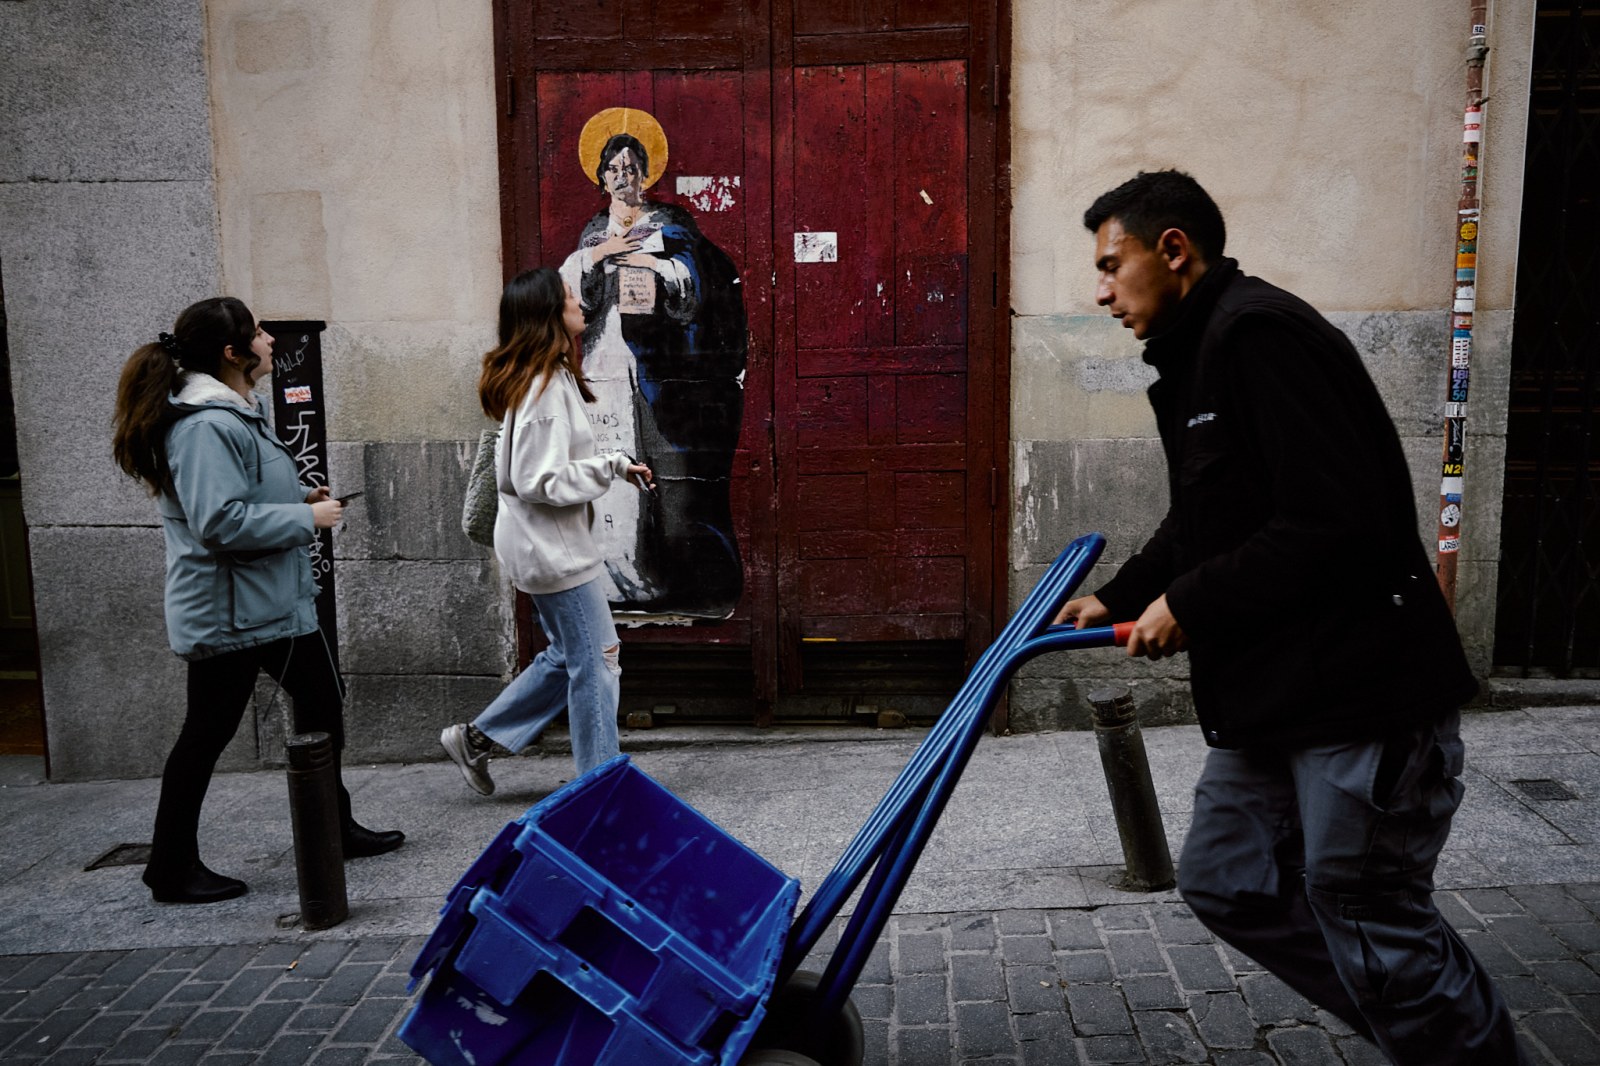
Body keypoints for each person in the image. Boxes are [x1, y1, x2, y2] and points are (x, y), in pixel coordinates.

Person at [1054, 170, 1524, 1064]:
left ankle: (1443, 1032)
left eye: (1113, 266)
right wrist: (1118, 597)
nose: (1102, 290)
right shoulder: (1200, 355)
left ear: (1174, 250)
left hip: (1361, 696)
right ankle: (1421, 1026)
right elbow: (1205, 519)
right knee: (1229, 882)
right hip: (1277, 696)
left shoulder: (1261, 336)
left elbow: (1335, 522)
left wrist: (1186, 604)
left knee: (1370, 916)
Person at [112, 297, 403, 906]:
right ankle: (169, 867)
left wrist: (303, 495)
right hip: (230, 612)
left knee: (323, 704)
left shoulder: (237, 412)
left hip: (272, 606)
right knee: (205, 736)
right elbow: (217, 522)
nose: (270, 340)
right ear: (232, 352)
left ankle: (332, 826)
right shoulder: (204, 425)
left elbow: (247, 493)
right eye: (259, 332)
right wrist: (304, 516)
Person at [439, 267, 654, 796]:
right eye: (568, 297)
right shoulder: (542, 387)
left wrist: (613, 463)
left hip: (542, 547)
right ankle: (599, 785)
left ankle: (477, 739)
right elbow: (534, 479)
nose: (580, 301)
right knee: (598, 662)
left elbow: (537, 468)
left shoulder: (546, 375)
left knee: (569, 654)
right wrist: (607, 470)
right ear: (548, 315)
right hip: (553, 552)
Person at [559, 122, 747, 617]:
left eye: (632, 167)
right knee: (612, 461)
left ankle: (676, 577)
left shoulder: (669, 220)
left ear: (645, 174)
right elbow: (577, 288)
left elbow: (691, 272)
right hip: (604, 358)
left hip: (661, 366)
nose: (624, 176)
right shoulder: (595, 230)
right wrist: (598, 257)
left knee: (668, 471)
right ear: (601, 178)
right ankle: (622, 581)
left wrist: (657, 271)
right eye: (614, 169)